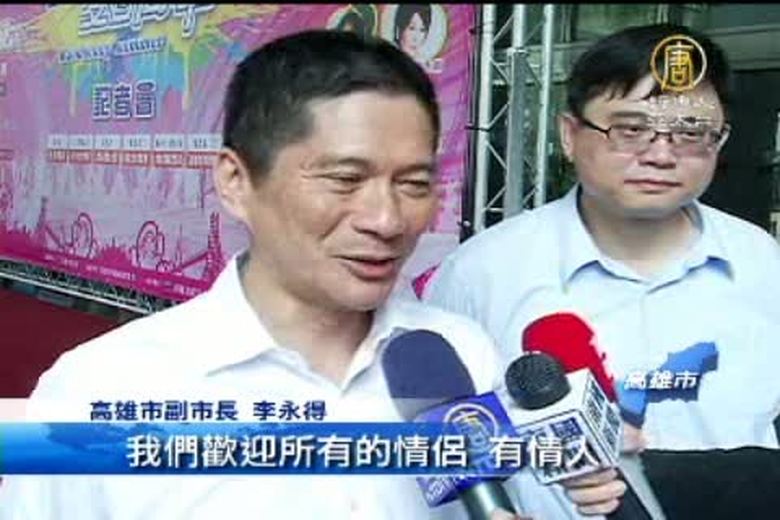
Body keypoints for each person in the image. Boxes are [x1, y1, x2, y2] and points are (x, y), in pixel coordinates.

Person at [0, 30, 536, 520]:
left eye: (414, 184)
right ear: (235, 181)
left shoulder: (461, 357)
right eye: (345, 179)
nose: (387, 220)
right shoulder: (98, 389)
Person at [425, 23, 780, 518]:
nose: (661, 155)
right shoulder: (481, 272)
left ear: (719, 142)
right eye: (631, 129)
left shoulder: (764, 263)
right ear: (570, 134)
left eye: (691, 133)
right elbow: (435, 440)